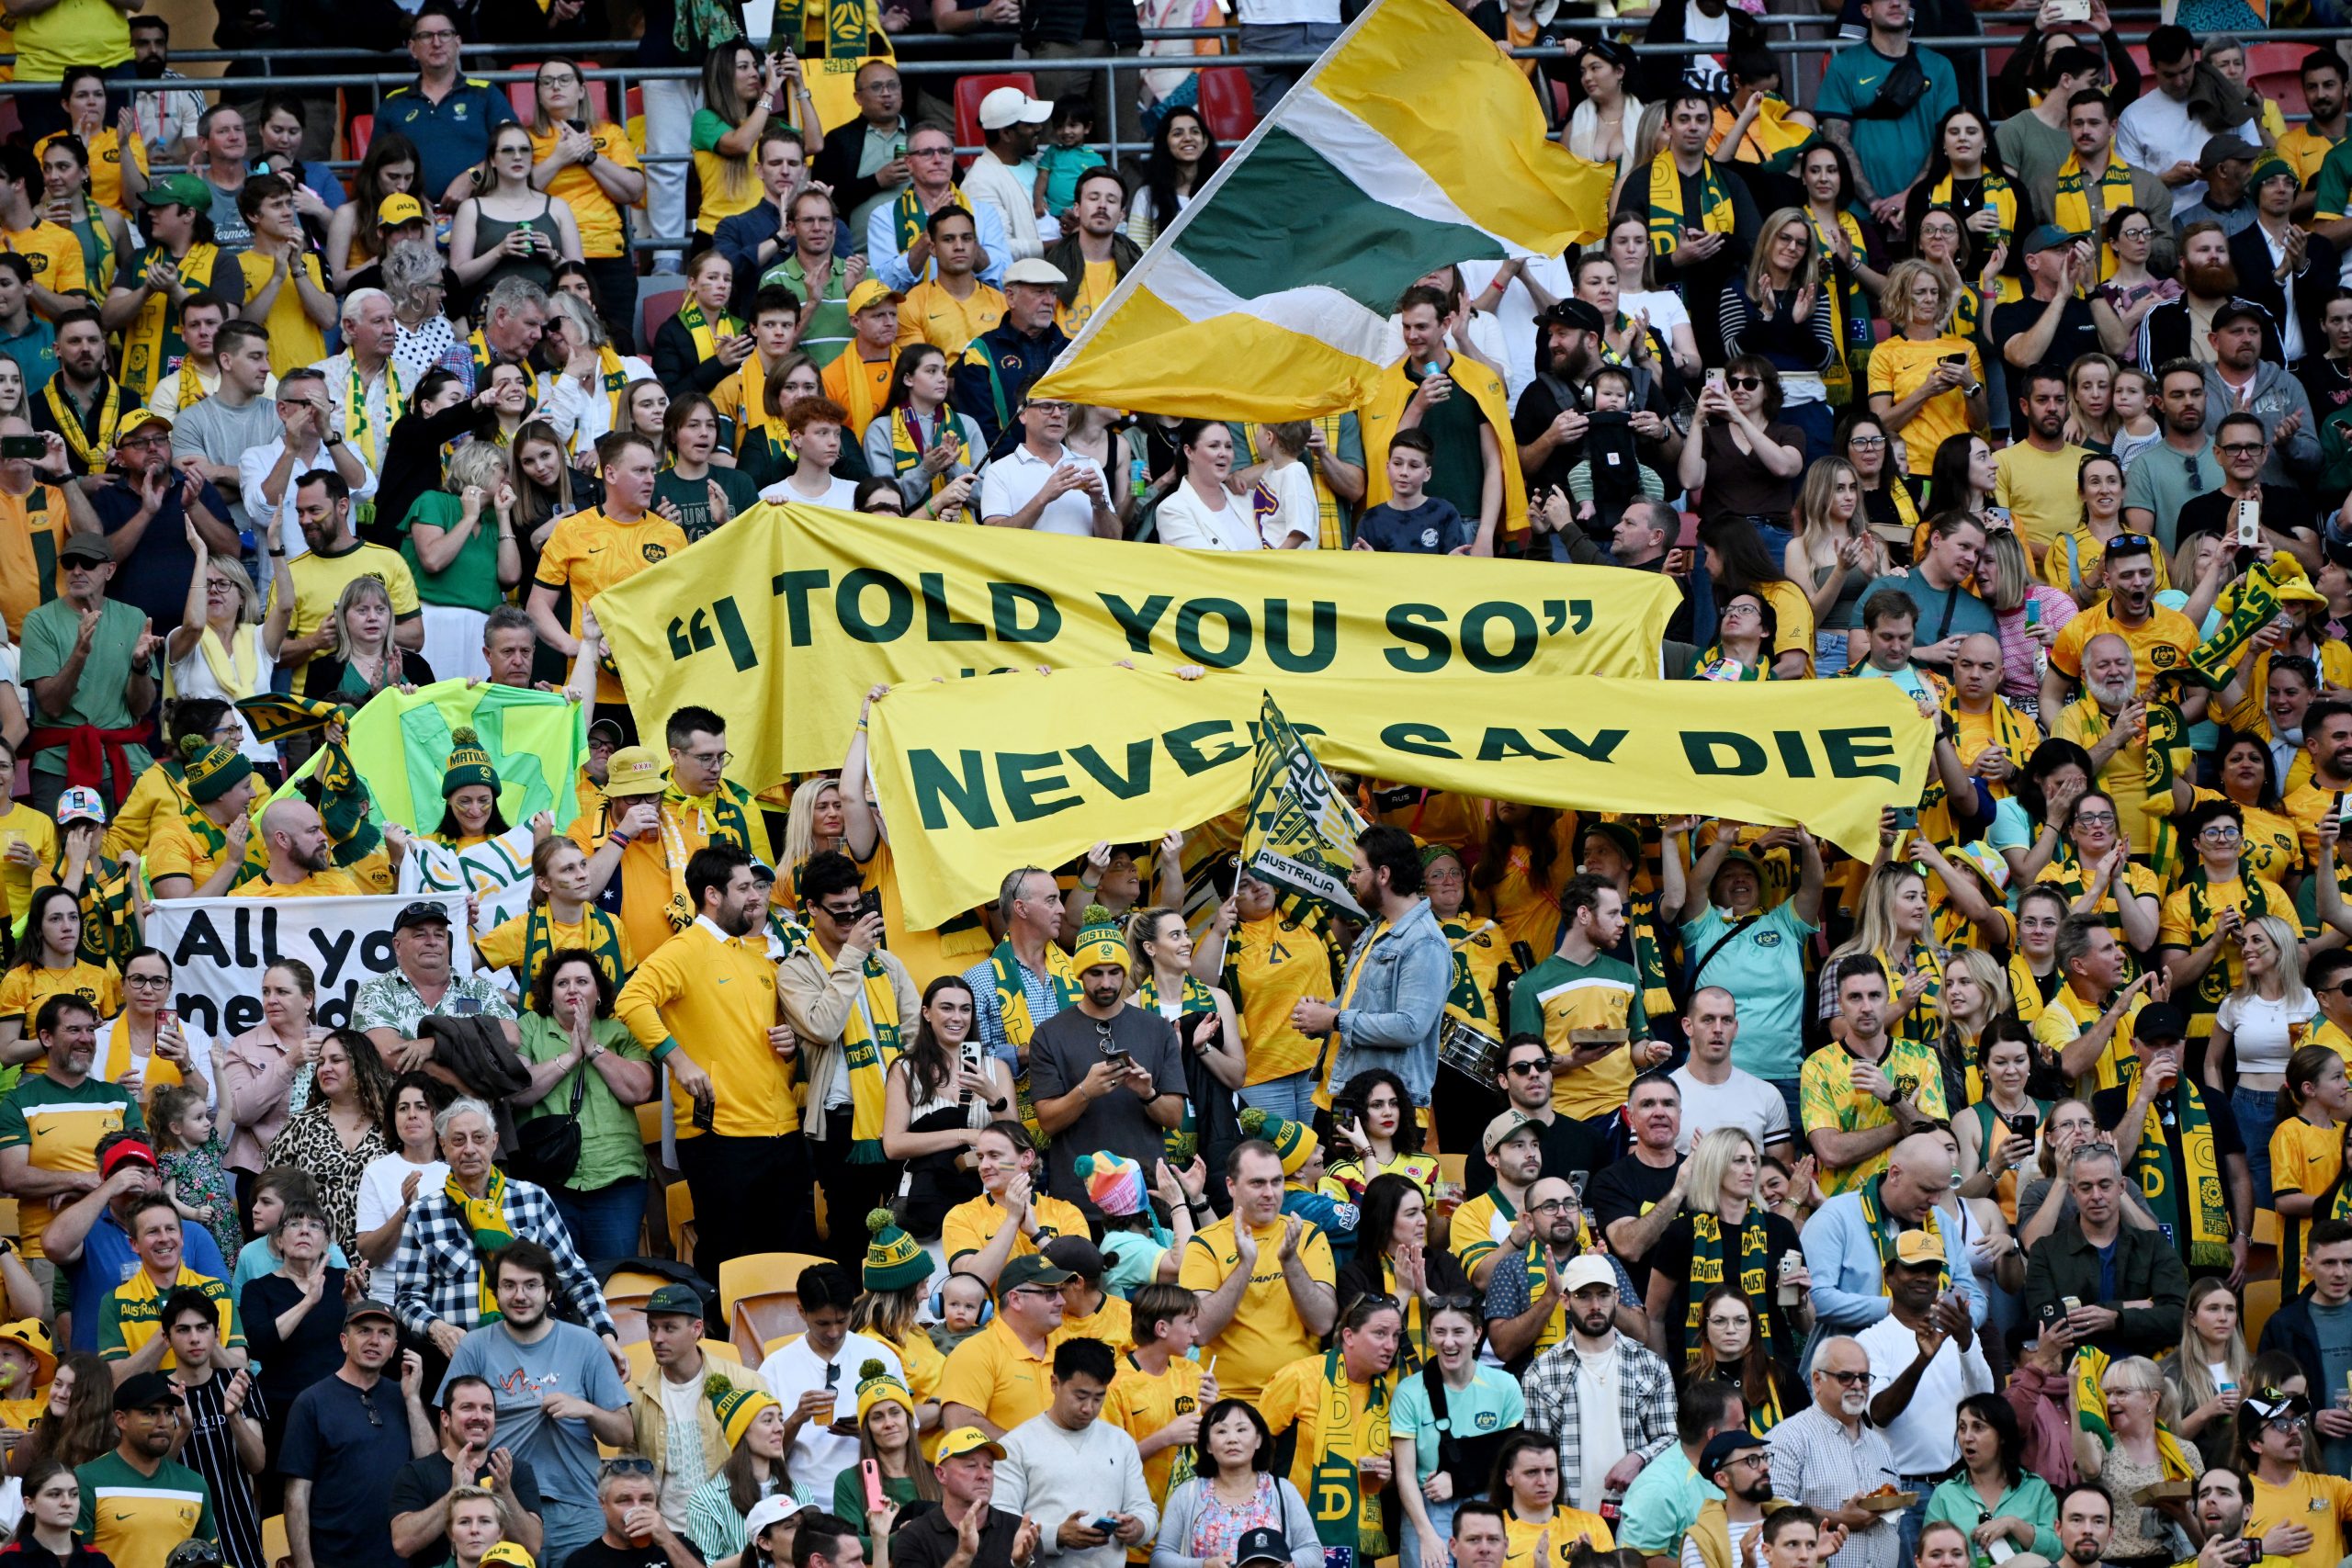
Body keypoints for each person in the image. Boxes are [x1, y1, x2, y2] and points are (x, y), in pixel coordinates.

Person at [615, 842, 816, 1276]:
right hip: (721, 1133)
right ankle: (719, 1344)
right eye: (744, 887)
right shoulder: (687, 947)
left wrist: (789, 1043)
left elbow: (756, 1033)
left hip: (782, 1128)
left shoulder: (759, 952)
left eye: (757, 887)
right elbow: (631, 999)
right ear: (713, 894)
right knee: (729, 1261)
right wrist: (679, 1062)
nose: (756, 896)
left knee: (793, 1262)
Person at [440, 1240, 633, 1565]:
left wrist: (586, 1409)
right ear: (495, 1292)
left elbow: (624, 1433)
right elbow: (449, 1430)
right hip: (499, 1505)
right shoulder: (474, 1347)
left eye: (531, 1285)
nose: (520, 1295)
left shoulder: (585, 1343)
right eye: (509, 1285)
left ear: (549, 1292)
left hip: (578, 1506)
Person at [2088, 999, 2252, 1287]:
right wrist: (2143, 1097)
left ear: (2185, 1044)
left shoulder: (2213, 1101)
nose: (2165, 1052)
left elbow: (2238, 1177)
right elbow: (2113, 1164)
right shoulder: (2109, 1102)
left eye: (2173, 1042)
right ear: (2134, 1046)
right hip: (2139, 1251)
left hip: (2209, 1253)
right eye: (2153, 1043)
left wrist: (2242, 1238)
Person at [512, 949, 653, 1265]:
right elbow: (519, 1091)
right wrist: (570, 1057)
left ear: (598, 992)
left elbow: (640, 1090)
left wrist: (593, 1048)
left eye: (581, 981)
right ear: (550, 995)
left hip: (616, 1177)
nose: (572, 989)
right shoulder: (530, 1026)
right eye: (562, 983)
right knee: (553, 1283)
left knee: (613, 1279)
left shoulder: (621, 1031)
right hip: (548, 1178)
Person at [1520, 1255, 1675, 1515]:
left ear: (1616, 1297)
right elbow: (1538, 1458)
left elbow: (1671, 1438)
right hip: (1571, 1518)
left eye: (1603, 1295)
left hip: (1641, 1516)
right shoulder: (1541, 1372)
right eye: (1583, 1296)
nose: (1595, 1305)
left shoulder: (1650, 1365)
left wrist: (1638, 1458)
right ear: (1565, 1301)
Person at [992, 1337, 1156, 1568]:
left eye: (1099, 1397)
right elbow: (1001, 1522)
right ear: (1054, 1383)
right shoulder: (1017, 1445)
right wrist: (1056, 1535)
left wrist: (1137, 1527)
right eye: (1080, 1396)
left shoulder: (1120, 1442)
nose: (1089, 1408)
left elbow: (1143, 1507)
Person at [753, 1262, 903, 1505]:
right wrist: (797, 1418)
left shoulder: (881, 1356)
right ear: (801, 1311)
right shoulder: (775, 1368)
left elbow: (906, 1434)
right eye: (823, 1324)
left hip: (873, 1497)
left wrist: (870, 1431)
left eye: (842, 1321)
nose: (834, 1332)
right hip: (803, 1502)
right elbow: (762, 1456)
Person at [620, 1283, 752, 1533]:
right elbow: (630, 1468)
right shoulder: (636, 1395)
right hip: (667, 1533)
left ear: (697, 1329)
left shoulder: (743, 1383)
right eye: (652, 1328)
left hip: (732, 1530)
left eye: (669, 1328)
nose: (657, 1338)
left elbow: (769, 1460)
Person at [159, 1287, 264, 1568]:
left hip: (239, 1532)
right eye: (183, 1330)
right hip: (177, 1539)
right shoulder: (155, 1392)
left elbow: (258, 1463)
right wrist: (182, 1431)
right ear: (166, 1338)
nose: (194, 1338)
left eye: (203, 1328)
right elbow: (149, 1474)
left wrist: (233, 1416)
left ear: (216, 1335)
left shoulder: (238, 1382)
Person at [75, 1370, 218, 1568]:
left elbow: (208, 1560)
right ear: (121, 1420)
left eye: (168, 1412)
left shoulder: (194, 1485)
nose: (163, 1423)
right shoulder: (87, 1479)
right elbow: (74, 1560)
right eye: (150, 1413)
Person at [888, 1427, 1044, 1568]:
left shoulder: (1019, 1531)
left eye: (988, 1466)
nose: (984, 1475)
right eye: (971, 1466)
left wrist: (1021, 1565)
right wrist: (963, 1557)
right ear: (941, 1474)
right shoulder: (915, 1536)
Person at [571, 1462, 709, 1568]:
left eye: (646, 1500)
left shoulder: (681, 1547)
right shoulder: (581, 1561)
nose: (637, 1508)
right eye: (624, 1500)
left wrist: (668, 1540)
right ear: (603, 1504)